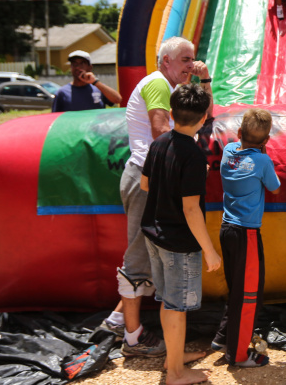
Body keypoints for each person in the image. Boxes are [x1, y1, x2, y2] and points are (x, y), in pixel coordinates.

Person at [101, 37, 213, 357]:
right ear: (166, 61)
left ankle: (118, 319)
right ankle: (132, 338)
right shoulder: (158, 85)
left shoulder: (173, 87)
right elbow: (161, 130)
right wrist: (190, 161)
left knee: (148, 253)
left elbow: (202, 114)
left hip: (150, 177)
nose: (191, 64)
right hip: (145, 179)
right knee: (139, 257)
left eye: (193, 58)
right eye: (185, 59)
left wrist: (204, 80)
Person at [140, 84, 221, 385]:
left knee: (168, 302)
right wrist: (209, 250)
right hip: (179, 244)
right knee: (177, 307)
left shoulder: (159, 143)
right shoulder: (194, 155)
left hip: (155, 235)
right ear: (203, 119)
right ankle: (175, 373)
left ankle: (172, 358)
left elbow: (145, 184)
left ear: (171, 114)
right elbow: (190, 209)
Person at [213, 108, 281, 367]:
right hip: (247, 234)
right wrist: (263, 154)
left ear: (239, 132)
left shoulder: (229, 150)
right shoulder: (262, 161)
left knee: (236, 290)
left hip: (227, 229)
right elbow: (275, 187)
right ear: (266, 141)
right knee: (248, 296)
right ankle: (239, 355)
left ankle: (222, 338)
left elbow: (240, 151)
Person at [51, 50, 122, 112]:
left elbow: (117, 100)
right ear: (71, 68)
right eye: (74, 64)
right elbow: (55, 118)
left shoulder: (98, 88)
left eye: (82, 63)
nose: (78, 67)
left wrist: (95, 82)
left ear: (90, 67)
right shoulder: (62, 93)